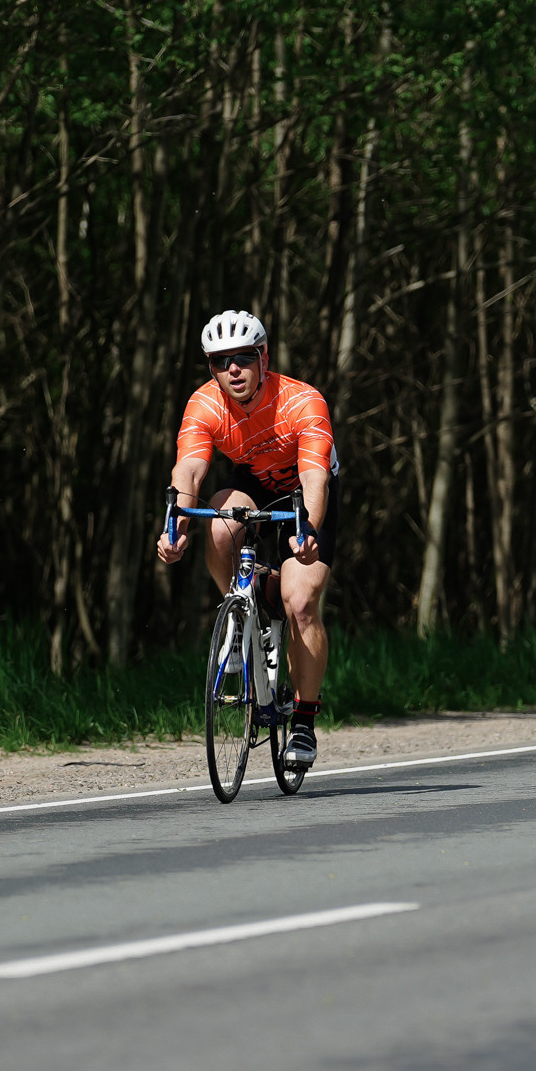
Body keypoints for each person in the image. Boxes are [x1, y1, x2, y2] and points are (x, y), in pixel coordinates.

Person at [157, 309, 341, 767]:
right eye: (221, 362)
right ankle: (241, 618)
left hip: (304, 489)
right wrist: (174, 526)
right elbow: (190, 470)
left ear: (263, 357)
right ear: (211, 369)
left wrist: (308, 533)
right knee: (219, 522)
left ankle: (302, 722)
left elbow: (315, 477)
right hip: (255, 481)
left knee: (299, 602)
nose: (233, 370)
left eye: (242, 358)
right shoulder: (205, 404)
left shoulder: (301, 401)